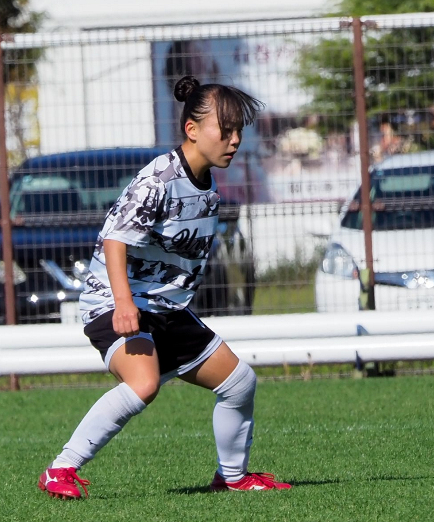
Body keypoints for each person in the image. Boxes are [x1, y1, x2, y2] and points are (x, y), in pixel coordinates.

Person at [37, 75, 290, 499]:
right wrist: (123, 304)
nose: (234, 140)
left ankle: (232, 477)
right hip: (115, 302)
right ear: (192, 129)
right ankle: (60, 469)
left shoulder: (206, 183)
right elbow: (115, 240)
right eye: (225, 130)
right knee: (144, 384)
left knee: (239, 383)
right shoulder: (159, 180)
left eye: (238, 131)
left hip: (164, 310)